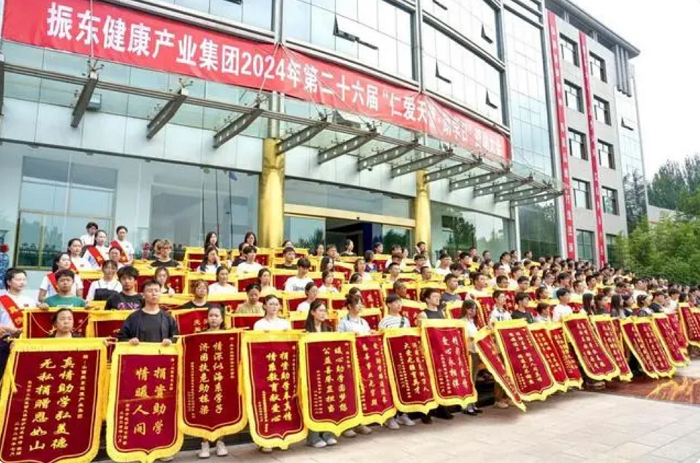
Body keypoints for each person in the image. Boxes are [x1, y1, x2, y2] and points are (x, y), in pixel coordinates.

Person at [302, 300, 339, 448]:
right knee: (314, 403)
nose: (324, 313)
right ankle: (313, 437)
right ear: (312, 312)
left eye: (325, 311)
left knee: (328, 401)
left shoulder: (329, 329)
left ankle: (327, 434)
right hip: (311, 371)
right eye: (320, 311)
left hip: (326, 370)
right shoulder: (305, 331)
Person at [197, 305, 229, 458]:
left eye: (216, 316)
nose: (213, 318)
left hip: (222, 378)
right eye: (211, 315)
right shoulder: (199, 335)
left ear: (222, 319)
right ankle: (204, 444)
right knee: (204, 410)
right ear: (207, 318)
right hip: (204, 378)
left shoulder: (229, 335)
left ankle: (220, 442)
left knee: (221, 410)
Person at [118, 279, 178, 345]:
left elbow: (176, 338)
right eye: (150, 291)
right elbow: (121, 338)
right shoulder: (133, 317)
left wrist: (170, 341)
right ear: (143, 295)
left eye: (157, 291)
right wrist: (130, 341)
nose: (154, 294)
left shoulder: (168, 318)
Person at [459, 299, 483, 416]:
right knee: (469, 379)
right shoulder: (461, 322)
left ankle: (473, 403)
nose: (474, 311)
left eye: (475, 309)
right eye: (471, 309)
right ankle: (466, 405)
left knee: (474, 378)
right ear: (466, 309)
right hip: (467, 352)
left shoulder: (472, 321)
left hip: (475, 351)